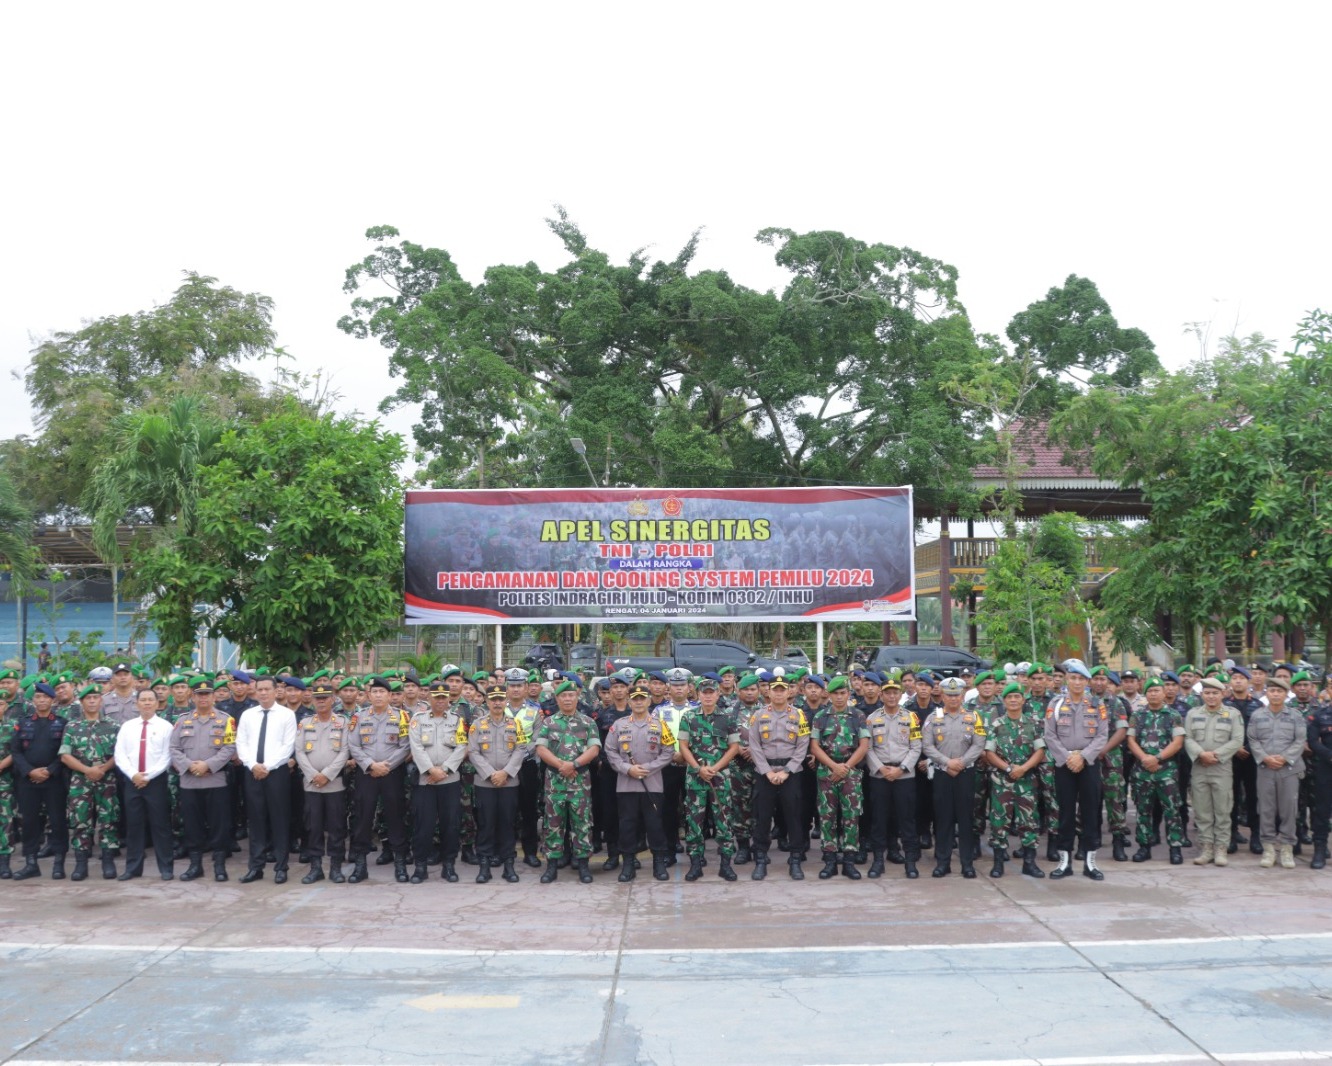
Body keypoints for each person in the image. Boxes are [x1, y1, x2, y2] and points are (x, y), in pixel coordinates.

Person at [1043, 659, 1109, 881]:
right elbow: (1049, 735)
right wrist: (1067, 757)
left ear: (1087, 681)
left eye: (1081, 678)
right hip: (1064, 764)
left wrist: (1084, 756)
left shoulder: (1097, 705)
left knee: (1091, 812)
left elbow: (1102, 735)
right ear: (1067, 680)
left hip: (1088, 764)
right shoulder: (1056, 704)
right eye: (1073, 678)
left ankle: (1090, 862)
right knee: (1065, 812)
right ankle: (1064, 862)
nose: (1077, 682)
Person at [604, 682, 676, 882]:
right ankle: (628, 864)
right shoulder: (619, 725)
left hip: (653, 783)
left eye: (642, 699)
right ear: (629, 701)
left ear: (649, 700)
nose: (638, 702)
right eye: (634, 699)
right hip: (626, 784)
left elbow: (668, 751)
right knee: (627, 825)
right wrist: (628, 769)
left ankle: (658, 863)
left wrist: (648, 769)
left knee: (654, 824)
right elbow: (609, 750)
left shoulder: (660, 724)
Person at [533, 679, 600, 884]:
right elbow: (541, 749)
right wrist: (562, 765)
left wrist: (575, 764)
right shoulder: (548, 722)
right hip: (555, 782)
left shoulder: (588, 722)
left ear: (577, 697)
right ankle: (551, 867)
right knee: (553, 824)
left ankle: (583, 866)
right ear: (557, 698)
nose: (568, 698)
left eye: (571, 695)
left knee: (582, 824)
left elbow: (594, 749)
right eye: (563, 695)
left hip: (580, 781)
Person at [169, 677, 236, 883]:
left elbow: (230, 747)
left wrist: (208, 765)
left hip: (215, 781)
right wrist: (190, 765)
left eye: (207, 694)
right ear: (193, 696)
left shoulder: (226, 720)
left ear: (214, 696)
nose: (204, 698)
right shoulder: (182, 720)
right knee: (192, 825)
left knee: (219, 825)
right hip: (190, 782)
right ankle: (195, 865)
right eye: (199, 695)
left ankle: (219, 866)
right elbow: (173, 748)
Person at [346, 677, 411, 884]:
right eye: (374, 692)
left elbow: (406, 745)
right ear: (368, 695)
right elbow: (353, 745)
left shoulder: (402, 717)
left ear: (390, 696)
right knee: (362, 818)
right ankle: (360, 865)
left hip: (392, 774)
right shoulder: (359, 717)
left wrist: (387, 766)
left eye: (383, 692)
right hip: (367, 773)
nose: (378, 695)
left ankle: (400, 863)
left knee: (395, 817)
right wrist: (371, 765)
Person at [747, 672, 811, 880]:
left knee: (794, 817)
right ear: (769, 692)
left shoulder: (799, 715)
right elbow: (754, 745)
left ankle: (794, 859)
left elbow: (802, 746)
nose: (779, 693)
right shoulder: (758, 715)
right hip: (764, 773)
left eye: (783, 690)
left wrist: (786, 771)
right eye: (775, 689)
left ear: (788, 692)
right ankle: (760, 859)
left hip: (790, 773)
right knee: (762, 817)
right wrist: (767, 771)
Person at [234, 676, 298, 884]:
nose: (262, 693)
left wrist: (267, 766)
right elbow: (241, 742)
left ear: (275, 691)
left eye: (266, 689)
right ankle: (256, 867)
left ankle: (281, 867)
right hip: (252, 772)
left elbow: (288, 745)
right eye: (259, 689)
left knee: (279, 820)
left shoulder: (286, 715)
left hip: (276, 773)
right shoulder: (248, 715)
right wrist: (252, 765)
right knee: (256, 820)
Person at [921, 676, 986, 878]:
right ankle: (943, 862)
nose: (953, 699)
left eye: (956, 694)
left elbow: (979, 744)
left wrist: (961, 763)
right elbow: (927, 746)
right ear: (943, 696)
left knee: (966, 819)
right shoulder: (933, 718)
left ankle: (967, 864)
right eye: (949, 695)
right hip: (942, 773)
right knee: (943, 820)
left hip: (965, 774)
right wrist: (947, 763)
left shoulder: (974, 717)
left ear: (962, 695)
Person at [676, 673, 739, 882]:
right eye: (705, 693)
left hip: (720, 777)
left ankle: (725, 865)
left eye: (712, 693)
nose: (708, 697)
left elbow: (734, 747)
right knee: (694, 822)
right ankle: (695, 864)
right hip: (695, 778)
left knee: (723, 820)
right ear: (698, 695)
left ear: (718, 694)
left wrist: (716, 768)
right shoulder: (689, 717)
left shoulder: (728, 718)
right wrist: (698, 769)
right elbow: (683, 747)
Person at [407, 679, 468, 884]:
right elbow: (416, 747)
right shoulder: (418, 719)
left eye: (444, 697)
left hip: (449, 780)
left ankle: (448, 865)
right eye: (436, 697)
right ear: (429, 697)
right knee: (423, 825)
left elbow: (461, 747)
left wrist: (444, 770)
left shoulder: (457, 720)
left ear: (448, 699)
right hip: (425, 781)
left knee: (450, 825)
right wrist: (431, 770)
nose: (440, 700)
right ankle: (420, 866)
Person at [468, 683, 529, 883]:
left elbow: (521, 749)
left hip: (508, 783)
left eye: (500, 699)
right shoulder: (477, 724)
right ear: (486, 701)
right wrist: (490, 773)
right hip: (485, 783)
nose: (497, 703)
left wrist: (506, 773)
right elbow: (473, 752)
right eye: (493, 699)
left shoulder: (515, 724)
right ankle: (484, 864)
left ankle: (508, 864)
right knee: (485, 823)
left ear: (506, 701)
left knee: (507, 823)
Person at [984, 682, 1046, 878]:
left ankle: (1029, 863)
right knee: (999, 821)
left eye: (1016, 697)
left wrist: (1023, 768)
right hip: (1002, 781)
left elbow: (1040, 751)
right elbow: (989, 752)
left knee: (1029, 821)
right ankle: (998, 863)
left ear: (1022, 699)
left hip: (1026, 781)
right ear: (1004, 701)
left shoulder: (1033, 724)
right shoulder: (996, 725)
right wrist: (1009, 768)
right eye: (1009, 697)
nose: (1013, 700)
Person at [59, 684, 121, 881]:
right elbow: (65, 756)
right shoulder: (72, 726)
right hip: (81, 780)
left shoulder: (113, 725)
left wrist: (102, 769)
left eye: (95, 698)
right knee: (81, 822)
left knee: (108, 821)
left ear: (101, 701)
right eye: (88, 698)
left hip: (107, 780)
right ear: (82, 702)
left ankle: (108, 862)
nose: (92, 701)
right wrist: (88, 770)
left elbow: (120, 754)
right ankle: (81, 864)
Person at [810, 675, 870, 879]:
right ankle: (829, 861)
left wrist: (845, 767)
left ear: (848, 694)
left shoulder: (858, 716)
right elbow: (815, 746)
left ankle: (849, 861)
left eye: (843, 693)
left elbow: (863, 745)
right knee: (827, 817)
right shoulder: (821, 716)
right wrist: (834, 766)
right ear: (829, 695)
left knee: (851, 817)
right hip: (827, 771)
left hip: (851, 772)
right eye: (835, 693)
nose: (839, 697)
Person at [113, 688, 176, 880]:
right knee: (134, 826)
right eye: (143, 700)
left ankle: (166, 868)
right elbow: (120, 754)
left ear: (157, 704)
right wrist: (134, 775)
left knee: (160, 826)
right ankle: (133, 868)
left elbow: (167, 756)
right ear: (136, 703)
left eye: (151, 700)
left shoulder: (166, 727)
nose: (147, 703)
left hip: (155, 781)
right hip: (132, 781)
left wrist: (148, 776)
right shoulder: (127, 727)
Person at [863, 674, 922, 878]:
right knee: (879, 819)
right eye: (887, 693)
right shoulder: (872, 719)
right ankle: (878, 860)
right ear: (881, 695)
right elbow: (867, 748)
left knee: (906, 820)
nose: (891, 696)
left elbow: (916, 747)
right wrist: (881, 769)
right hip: (880, 776)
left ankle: (910, 862)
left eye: (895, 692)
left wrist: (901, 769)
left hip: (904, 776)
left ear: (900, 694)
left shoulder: (910, 718)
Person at [10, 682, 70, 880]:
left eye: (45, 697)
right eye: (38, 697)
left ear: (52, 701)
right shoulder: (24, 722)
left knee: (58, 821)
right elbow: (16, 751)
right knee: (29, 822)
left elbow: (64, 752)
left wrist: (49, 771)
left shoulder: (62, 723)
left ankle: (59, 864)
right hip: (28, 781)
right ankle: (31, 863)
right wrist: (29, 771)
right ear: (33, 701)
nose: (41, 701)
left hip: (54, 781)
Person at [1183, 675, 1245, 866]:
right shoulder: (1193, 714)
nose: (1211, 697)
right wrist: (1201, 754)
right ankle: (1207, 847)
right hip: (1199, 768)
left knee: (1223, 810)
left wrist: (1215, 755)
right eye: (1207, 693)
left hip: (1221, 768)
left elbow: (1237, 740)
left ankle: (1221, 849)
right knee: (1202, 811)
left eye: (1215, 693)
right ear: (1202, 694)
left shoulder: (1233, 714)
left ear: (1223, 694)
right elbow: (1187, 738)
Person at [1248, 677, 1307, 869]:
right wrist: (1265, 758)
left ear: (1285, 694)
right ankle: (1269, 849)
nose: (1275, 694)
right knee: (1266, 809)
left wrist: (1283, 758)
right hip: (1265, 769)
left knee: (1289, 809)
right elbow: (1253, 739)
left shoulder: (1296, 715)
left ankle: (1287, 848)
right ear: (1267, 693)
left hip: (1289, 769)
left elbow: (1300, 740)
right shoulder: (1257, 715)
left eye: (1279, 691)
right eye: (1272, 691)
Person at [1126, 678, 1185, 865]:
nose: (1153, 694)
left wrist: (1157, 758)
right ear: (1146, 693)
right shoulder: (1137, 715)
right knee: (1143, 810)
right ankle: (1144, 847)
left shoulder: (1173, 715)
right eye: (1150, 691)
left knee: (1172, 810)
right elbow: (1131, 740)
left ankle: (1175, 848)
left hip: (1166, 771)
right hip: (1142, 770)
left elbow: (1178, 742)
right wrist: (1145, 758)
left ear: (1163, 692)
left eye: (1157, 690)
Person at [1309, 682, 1332, 871]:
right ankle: (1319, 848)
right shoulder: (1320, 715)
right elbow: (1312, 741)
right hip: (1326, 766)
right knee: (1322, 810)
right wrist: (1328, 755)